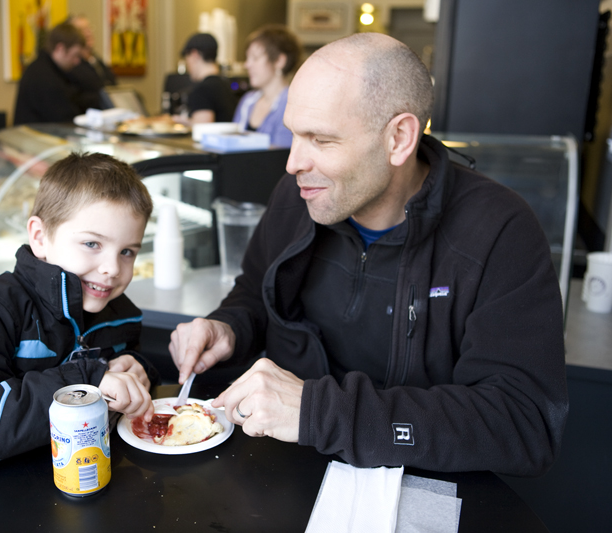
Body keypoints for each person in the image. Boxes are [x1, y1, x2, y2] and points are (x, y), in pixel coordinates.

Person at [168, 33, 568, 477]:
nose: (293, 163)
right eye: (294, 133)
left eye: (320, 139)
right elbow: (255, 292)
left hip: (419, 488)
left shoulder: (499, 231)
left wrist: (321, 412)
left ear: (399, 137)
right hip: (283, 473)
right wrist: (230, 328)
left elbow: (523, 422)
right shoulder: (298, 194)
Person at [0, 152, 158, 485]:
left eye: (127, 252)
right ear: (39, 236)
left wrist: (138, 369)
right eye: (92, 243)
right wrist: (82, 383)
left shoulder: (120, 312)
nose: (112, 268)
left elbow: (125, 365)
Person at [232, 25, 302, 148]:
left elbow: (280, 155)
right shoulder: (247, 100)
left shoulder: (291, 104)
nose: (247, 65)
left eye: (255, 58)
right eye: (247, 58)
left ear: (279, 61)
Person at [13, 21, 86, 125]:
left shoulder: (43, 68)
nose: (77, 61)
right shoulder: (44, 77)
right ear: (60, 49)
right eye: (75, 55)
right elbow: (64, 121)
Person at [175, 33, 236, 125]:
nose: (187, 64)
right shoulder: (226, 84)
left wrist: (180, 122)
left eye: (186, 58)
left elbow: (203, 129)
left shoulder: (202, 89)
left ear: (194, 55)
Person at [69, 14, 117, 113]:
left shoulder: (97, 61)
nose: (88, 33)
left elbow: (113, 86)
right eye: (81, 30)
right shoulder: (72, 66)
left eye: (88, 28)